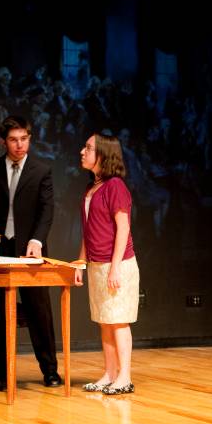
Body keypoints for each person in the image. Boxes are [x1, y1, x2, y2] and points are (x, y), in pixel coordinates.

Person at [0, 115, 62, 392]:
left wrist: (37, 240)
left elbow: (47, 210)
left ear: (29, 139)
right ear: (3, 142)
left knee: (39, 311)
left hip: (30, 249)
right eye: (13, 140)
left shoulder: (41, 170)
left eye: (24, 139)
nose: (19, 145)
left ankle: (50, 371)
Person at [75, 134, 139, 395]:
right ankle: (110, 373)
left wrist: (114, 267)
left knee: (119, 321)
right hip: (96, 264)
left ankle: (124, 376)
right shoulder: (91, 189)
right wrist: (80, 262)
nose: (82, 151)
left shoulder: (115, 186)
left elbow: (123, 228)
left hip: (118, 264)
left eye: (88, 148)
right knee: (104, 321)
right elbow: (88, 231)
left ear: (102, 155)